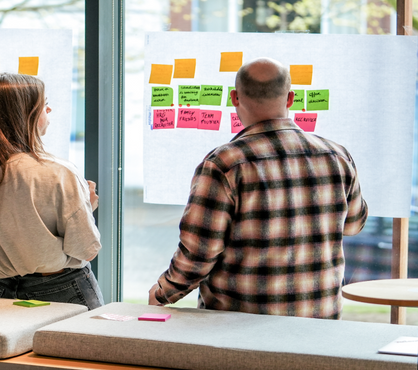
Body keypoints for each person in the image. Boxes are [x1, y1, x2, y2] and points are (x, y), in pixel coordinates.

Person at [148, 57, 368, 319]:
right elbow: (353, 225)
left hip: (240, 328)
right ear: (290, 99)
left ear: (234, 98)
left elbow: (199, 252)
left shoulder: (224, 164)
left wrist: (162, 293)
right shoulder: (337, 157)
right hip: (319, 325)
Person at [0, 73, 104, 310]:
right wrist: (87, 206)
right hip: (62, 290)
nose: (49, 109)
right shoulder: (57, 172)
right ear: (26, 114)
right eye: (44, 104)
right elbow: (86, 249)